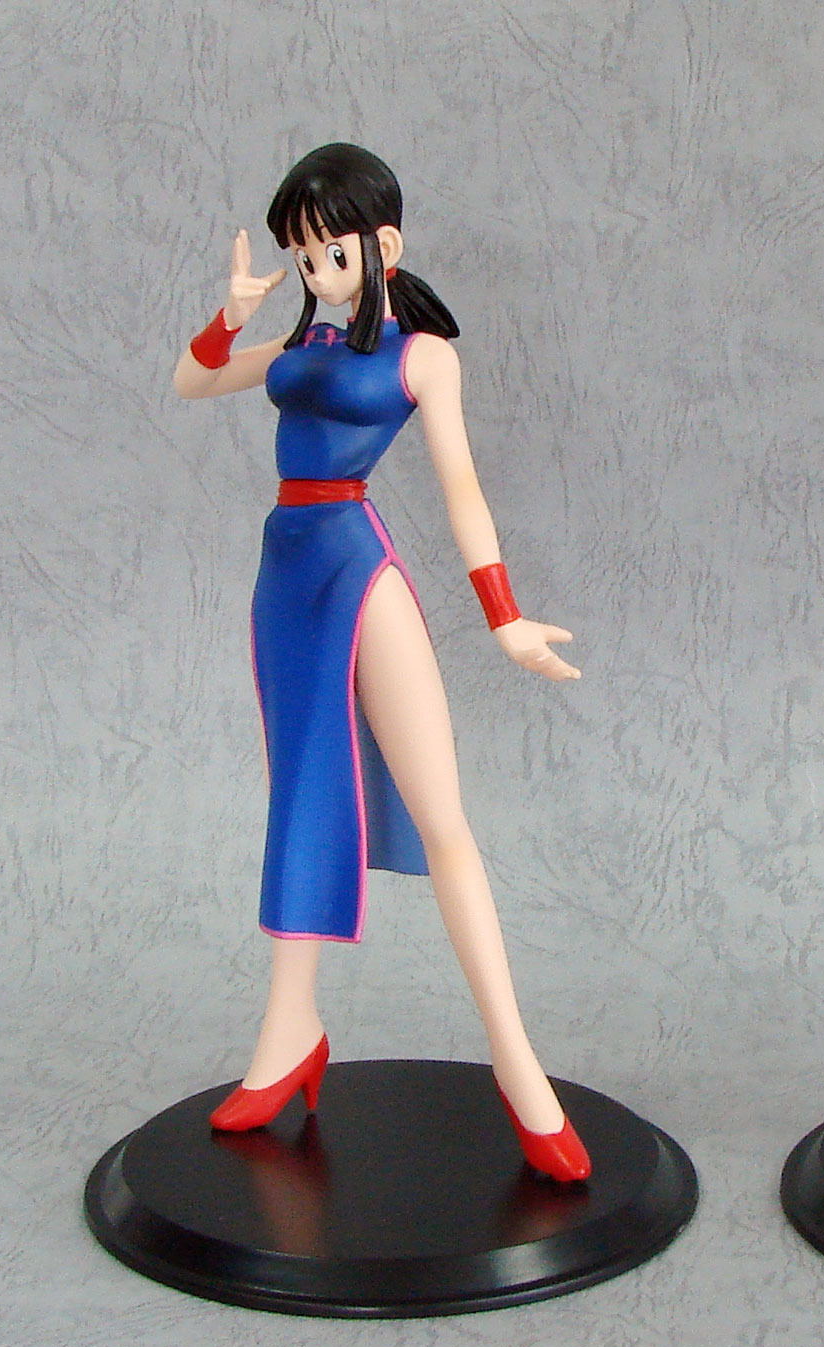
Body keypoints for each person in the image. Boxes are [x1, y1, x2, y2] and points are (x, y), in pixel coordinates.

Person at [174, 143, 589, 1180]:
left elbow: (462, 488)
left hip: (359, 573)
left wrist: (504, 617)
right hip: (284, 576)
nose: (317, 274)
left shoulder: (422, 357)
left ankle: (516, 1062)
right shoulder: (301, 340)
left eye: (332, 254)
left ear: (384, 244)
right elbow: (193, 378)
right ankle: (290, 1030)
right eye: (302, 258)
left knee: (443, 819)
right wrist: (232, 311)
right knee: (299, 795)